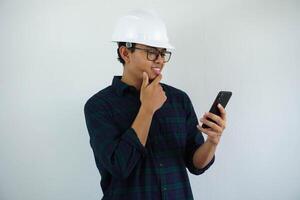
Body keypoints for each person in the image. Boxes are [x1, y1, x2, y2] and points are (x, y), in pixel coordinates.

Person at [84, 9, 227, 200]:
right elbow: (120, 166)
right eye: (152, 52)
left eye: (163, 53)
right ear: (125, 53)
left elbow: (196, 165)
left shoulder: (178, 99)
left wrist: (212, 141)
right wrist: (147, 109)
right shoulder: (99, 106)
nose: (160, 60)